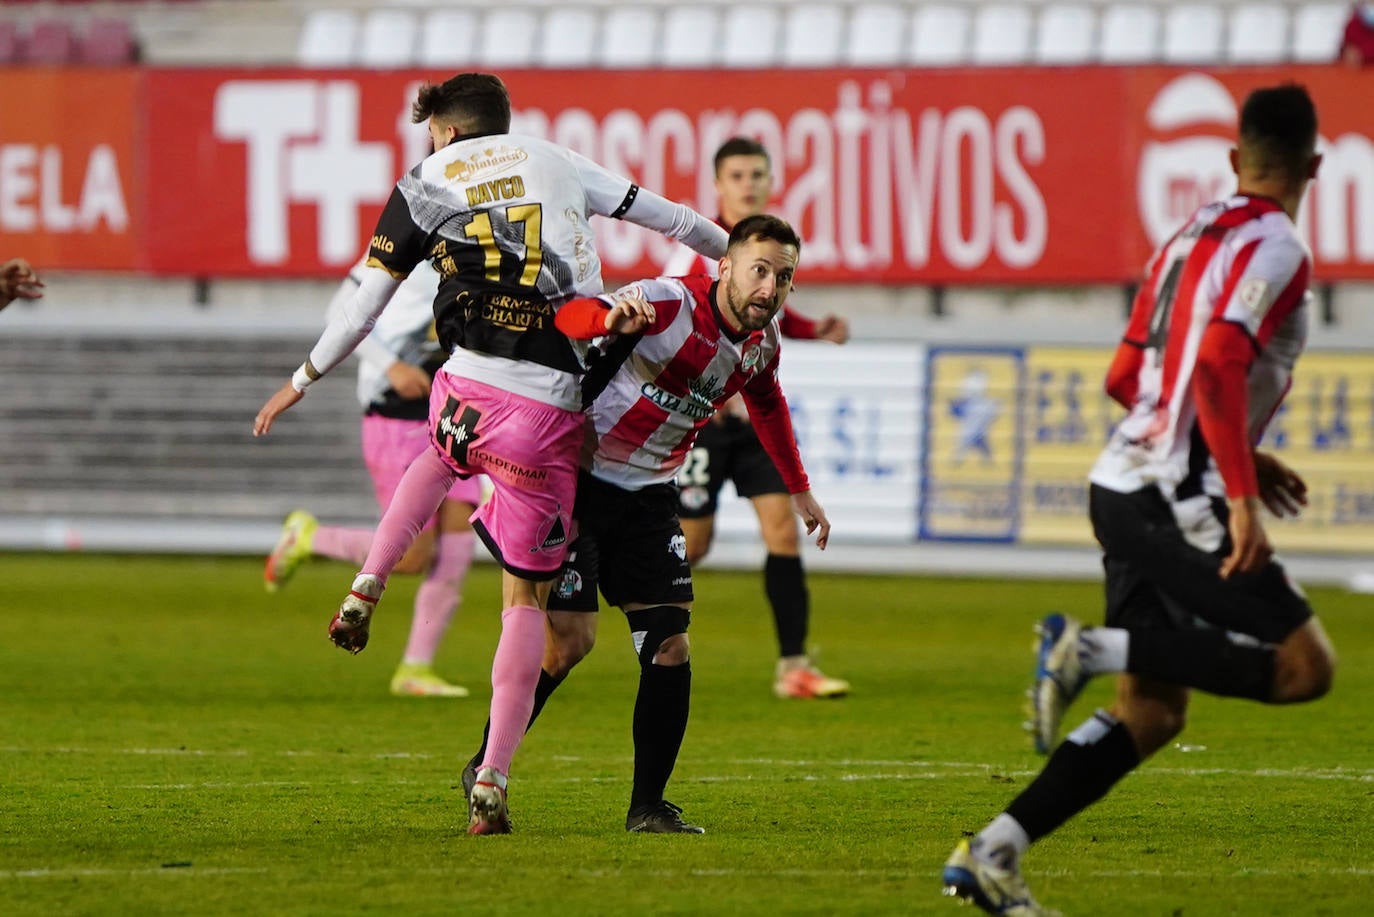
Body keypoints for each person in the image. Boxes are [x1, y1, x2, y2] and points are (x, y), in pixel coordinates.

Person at [252, 72, 728, 835]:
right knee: (525, 604)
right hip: (549, 412)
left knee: (436, 461)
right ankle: (493, 777)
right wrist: (730, 254)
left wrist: (302, 378)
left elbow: (364, 304)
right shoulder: (560, 158)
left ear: (443, 129)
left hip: (464, 386)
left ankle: (367, 581)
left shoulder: (422, 182)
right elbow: (668, 217)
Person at [942, 83, 1336, 916]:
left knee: (1151, 713)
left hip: (1120, 483)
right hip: (1173, 495)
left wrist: (1238, 452)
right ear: (1315, 166)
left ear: (1234, 159)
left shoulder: (1185, 235)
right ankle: (1093, 649)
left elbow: (1128, 378)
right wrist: (1237, 493)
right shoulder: (1280, 248)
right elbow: (1222, 361)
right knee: (1306, 668)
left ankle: (993, 852)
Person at [458, 213, 831, 833]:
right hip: (574, 484)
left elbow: (767, 402)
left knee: (670, 646)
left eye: (784, 277)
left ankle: (647, 807)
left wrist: (800, 489)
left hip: (651, 498)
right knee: (571, 643)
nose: (769, 287)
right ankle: (487, 763)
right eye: (760, 270)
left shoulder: (762, 346)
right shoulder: (665, 302)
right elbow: (568, 318)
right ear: (727, 265)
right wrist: (607, 317)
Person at [663, 137, 851, 700]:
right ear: (718, 186)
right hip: (701, 423)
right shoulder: (697, 251)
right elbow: (675, 325)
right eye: (737, 175)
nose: (748, 184)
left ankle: (793, 665)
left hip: (751, 423)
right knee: (691, 546)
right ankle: (638, 627)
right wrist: (718, 394)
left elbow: (766, 317)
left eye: (757, 175)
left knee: (781, 532)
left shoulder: (770, 250)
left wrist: (811, 328)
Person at [264, 258, 482, 698]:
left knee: (460, 534)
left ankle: (415, 668)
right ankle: (310, 538)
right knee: (412, 557)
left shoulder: (486, 238)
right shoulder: (409, 237)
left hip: (455, 410)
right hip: (393, 413)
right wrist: (391, 367)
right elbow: (340, 313)